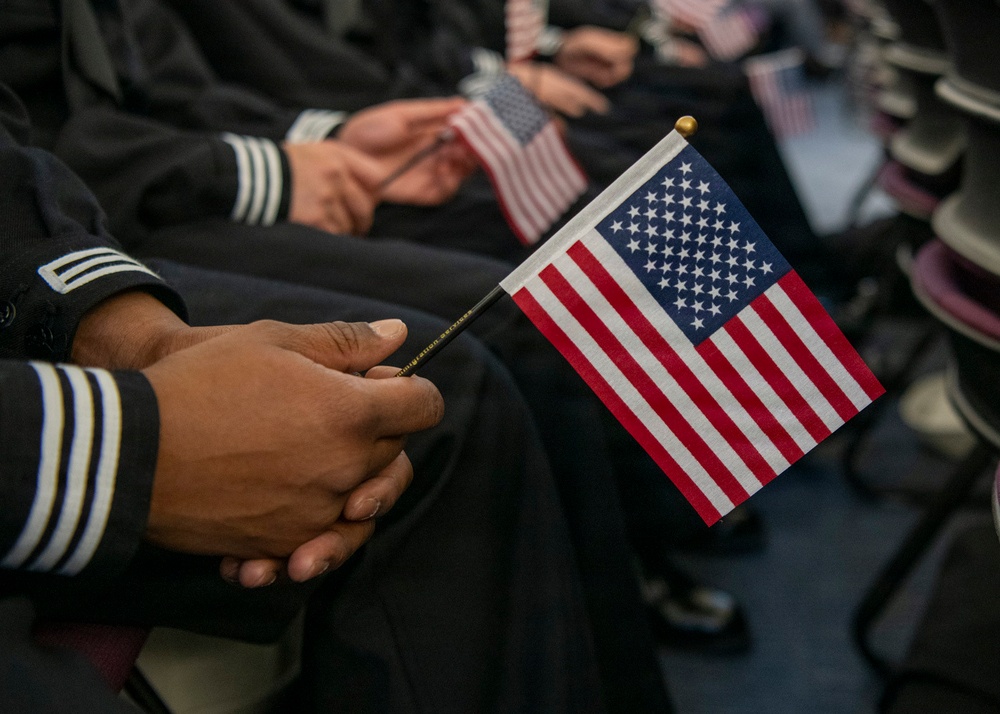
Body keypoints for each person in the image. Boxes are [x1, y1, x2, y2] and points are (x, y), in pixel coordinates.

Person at [0, 78, 674, 711]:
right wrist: (118, 450)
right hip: (121, 229)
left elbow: (130, 95)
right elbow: (73, 118)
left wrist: (141, 338)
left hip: (69, 240)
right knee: (455, 377)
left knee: (412, 388)